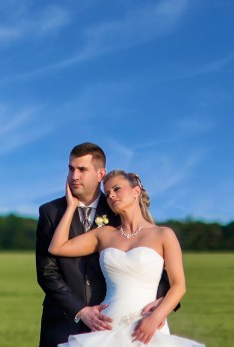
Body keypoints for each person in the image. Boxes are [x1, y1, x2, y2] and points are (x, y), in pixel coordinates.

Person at [35, 143, 172, 347]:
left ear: (100, 174)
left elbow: (153, 262)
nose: (74, 176)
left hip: (115, 323)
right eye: (71, 169)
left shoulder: (120, 208)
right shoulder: (51, 212)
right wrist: (81, 310)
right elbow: (47, 272)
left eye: (82, 169)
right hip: (64, 320)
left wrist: (164, 303)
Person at [47, 169, 203, 346]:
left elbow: (179, 285)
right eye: (107, 194)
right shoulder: (104, 235)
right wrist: (71, 206)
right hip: (108, 327)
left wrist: (156, 317)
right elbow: (57, 247)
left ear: (136, 191)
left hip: (148, 327)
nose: (111, 196)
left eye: (117, 189)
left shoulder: (163, 234)